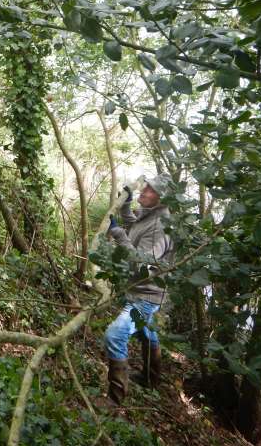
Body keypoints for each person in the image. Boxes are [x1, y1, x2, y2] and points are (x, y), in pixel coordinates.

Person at [104, 173, 174, 404]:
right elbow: (135, 224)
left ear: (162, 198)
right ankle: (151, 378)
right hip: (142, 289)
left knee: (115, 335)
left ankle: (115, 400)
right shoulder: (151, 215)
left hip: (147, 294)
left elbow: (142, 261)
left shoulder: (162, 225)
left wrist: (118, 234)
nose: (144, 191)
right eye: (145, 187)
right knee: (148, 332)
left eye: (150, 190)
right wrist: (125, 207)